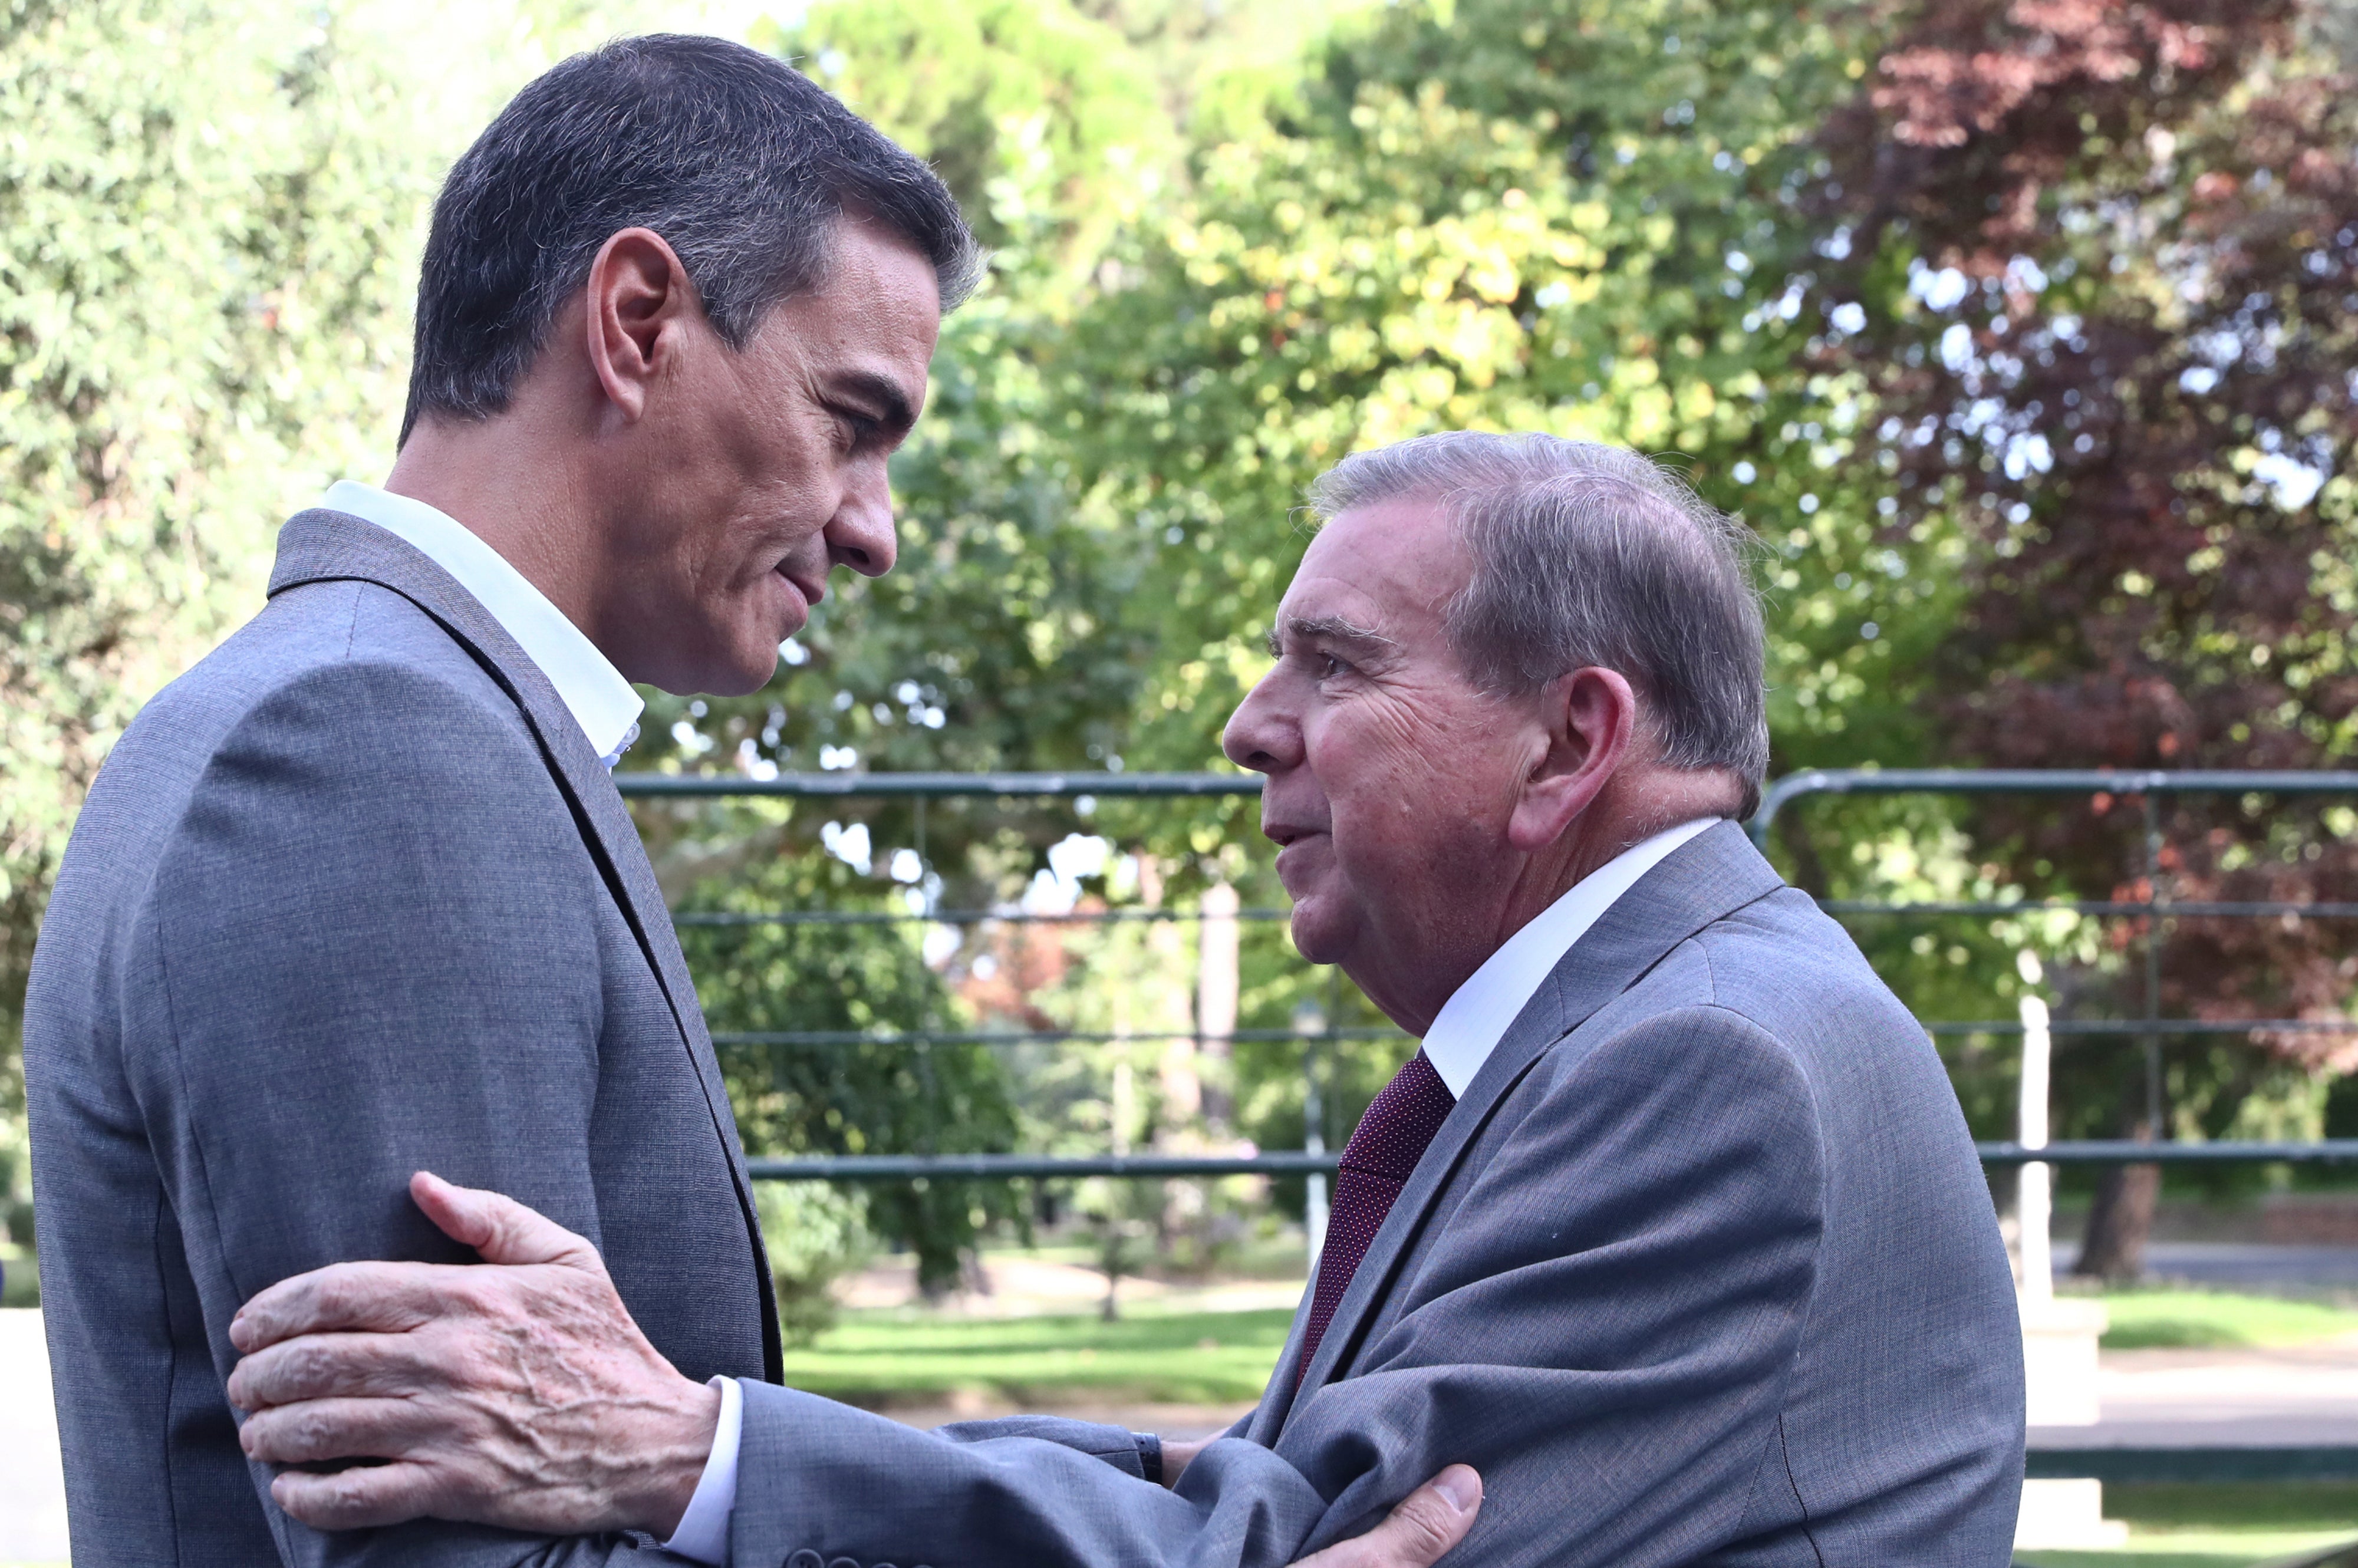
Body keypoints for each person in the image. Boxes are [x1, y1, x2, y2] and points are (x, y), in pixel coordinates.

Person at [21, 35, 1471, 1568]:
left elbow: (639, 1434)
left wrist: (1140, 1478)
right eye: (853, 420)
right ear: (637, 322)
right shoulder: (374, 753)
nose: (877, 533)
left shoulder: (367, 711)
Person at [225, 433, 2030, 1566]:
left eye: (1332, 665)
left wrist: (679, 1449)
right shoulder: (1661, 1020)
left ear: (1571, 739)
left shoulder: (1707, 1068)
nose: (1249, 725)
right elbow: (1263, 1484)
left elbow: (1293, 1540)